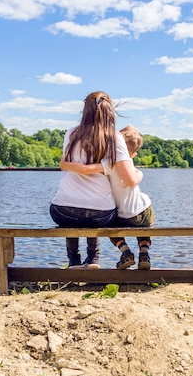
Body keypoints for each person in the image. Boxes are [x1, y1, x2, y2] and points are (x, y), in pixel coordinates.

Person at [49, 91, 134, 269]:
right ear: (110, 111)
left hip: (62, 211)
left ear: (85, 111)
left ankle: (73, 261)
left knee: (73, 211)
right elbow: (130, 179)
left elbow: (67, 164)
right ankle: (93, 259)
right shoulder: (115, 137)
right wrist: (106, 167)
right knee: (96, 208)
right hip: (101, 214)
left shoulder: (71, 133)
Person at [60, 125, 154, 270]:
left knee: (109, 225)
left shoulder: (108, 163)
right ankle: (144, 252)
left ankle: (125, 251)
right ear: (133, 154)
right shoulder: (130, 165)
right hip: (143, 209)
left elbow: (85, 170)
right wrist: (140, 174)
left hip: (122, 216)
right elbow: (132, 179)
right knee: (147, 224)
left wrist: (65, 164)